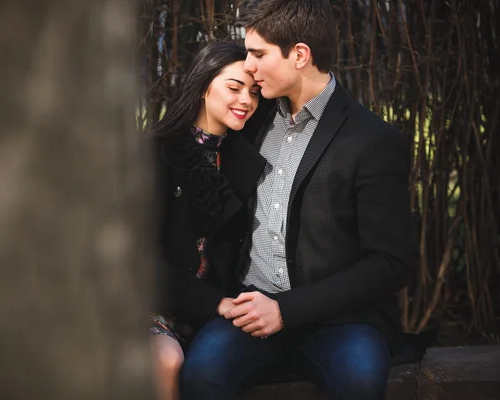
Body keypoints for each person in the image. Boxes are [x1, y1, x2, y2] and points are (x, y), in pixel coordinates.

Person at [180, 1, 415, 399]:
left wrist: (287, 311)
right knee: (200, 377)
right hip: (248, 311)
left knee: (359, 382)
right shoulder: (249, 122)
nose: (248, 66)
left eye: (258, 54)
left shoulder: (372, 140)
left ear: (300, 55)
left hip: (341, 321)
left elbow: (392, 264)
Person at [149, 40, 268, 400]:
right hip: (151, 303)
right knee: (166, 360)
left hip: (215, 309)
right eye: (233, 87)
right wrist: (215, 303)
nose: (245, 100)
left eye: (253, 92)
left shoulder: (243, 160)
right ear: (203, 87)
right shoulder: (156, 153)